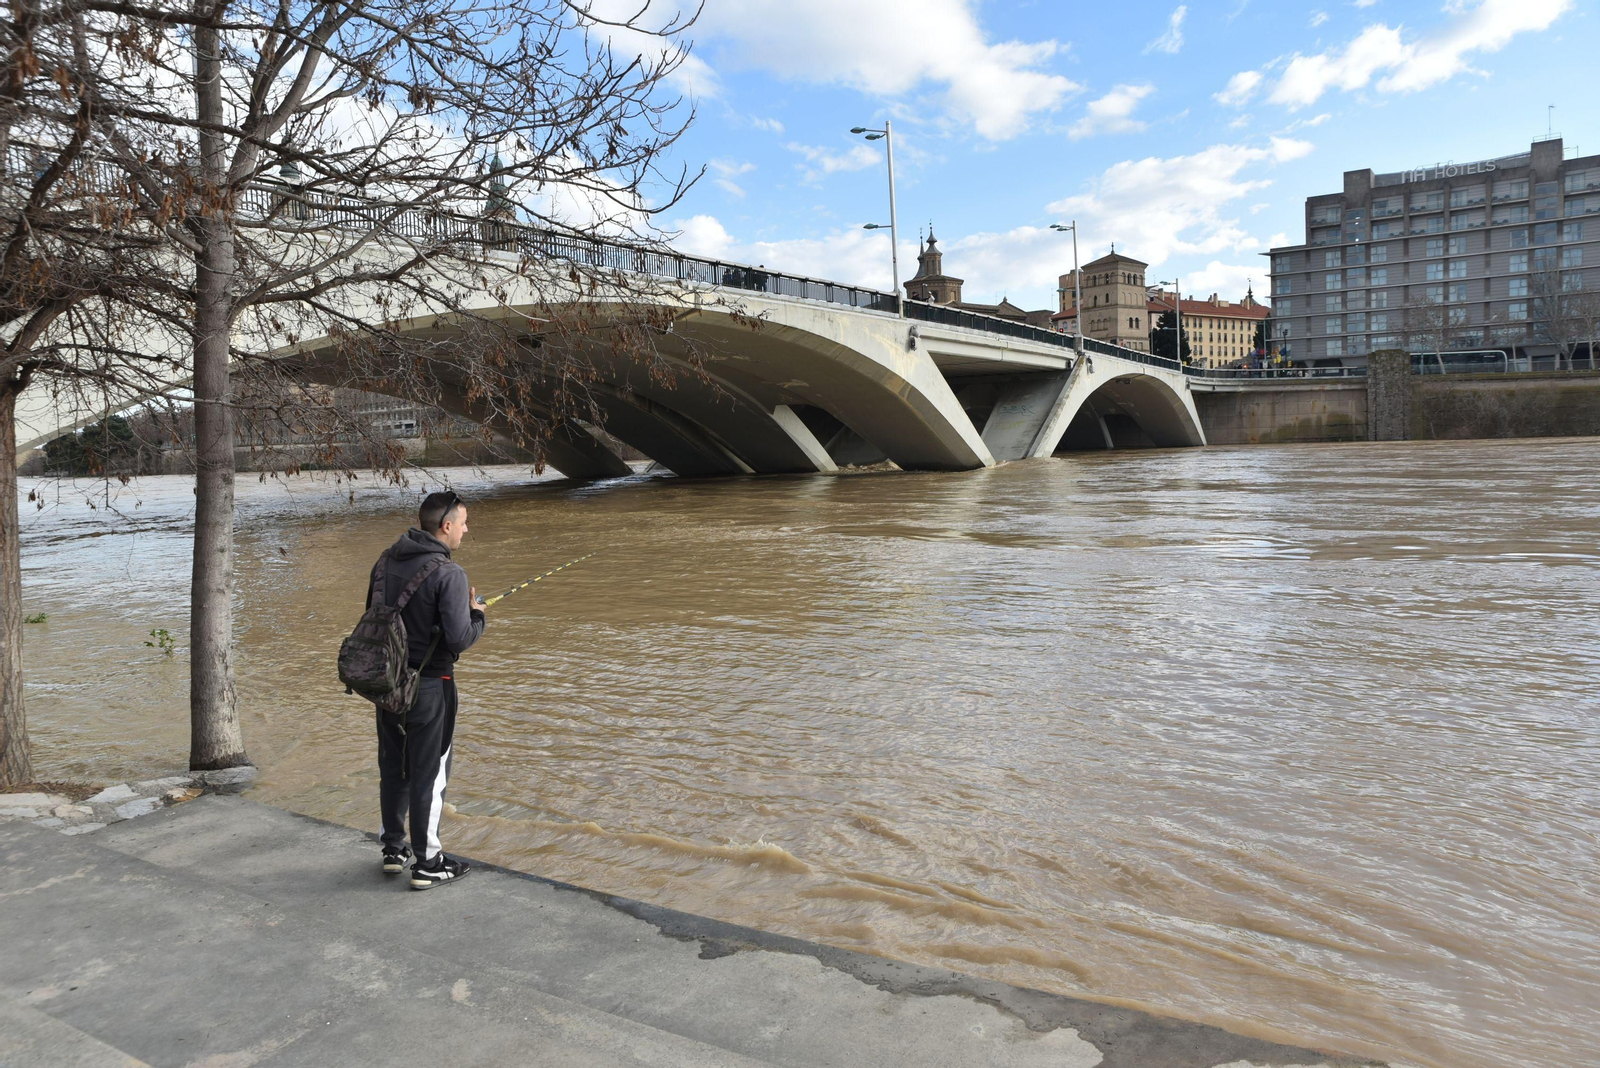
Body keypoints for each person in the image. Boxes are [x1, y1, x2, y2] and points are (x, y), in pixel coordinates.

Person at [369, 490, 487, 890]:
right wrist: (477, 615)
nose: (467, 530)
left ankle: (393, 849)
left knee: (393, 767)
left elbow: (376, 618)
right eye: (464, 523)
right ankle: (429, 862)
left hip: (386, 684)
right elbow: (458, 639)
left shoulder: (385, 561)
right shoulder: (449, 574)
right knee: (430, 774)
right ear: (446, 525)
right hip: (431, 686)